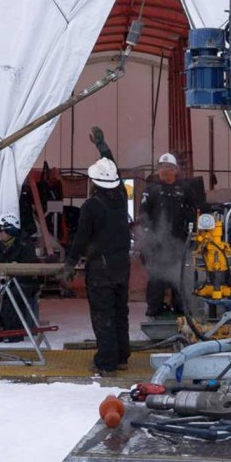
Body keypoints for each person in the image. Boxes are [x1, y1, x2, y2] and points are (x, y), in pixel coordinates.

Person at [63, 156, 132, 375]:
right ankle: (122, 356)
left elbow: (81, 238)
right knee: (120, 312)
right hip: (122, 265)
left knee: (103, 315)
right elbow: (116, 172)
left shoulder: (91, 206)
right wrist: (103, 148)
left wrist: (70, 263)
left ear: (93, 182)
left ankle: (106, 362)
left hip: (101, 269)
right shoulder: (122, 197)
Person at [139, 152, 206, 317]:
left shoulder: (185, 190)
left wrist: (192, 234)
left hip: (179, 242)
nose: (165, 171)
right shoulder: (151, 190)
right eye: (162, 167)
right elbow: (143, 215)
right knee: (156, 276)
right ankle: (154, 307)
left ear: (176, 170)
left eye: (169, 168)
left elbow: (195, 211)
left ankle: (180, 307)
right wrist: (147, 238)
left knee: (180, 275)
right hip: (157, 243)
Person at [0, 212, 39, 339]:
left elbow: (28, 272)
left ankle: (13, 332)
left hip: (24, 282)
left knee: (13, 293)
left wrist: (7, 280)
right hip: (3, 281)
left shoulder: (25, 246)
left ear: (10, 230)